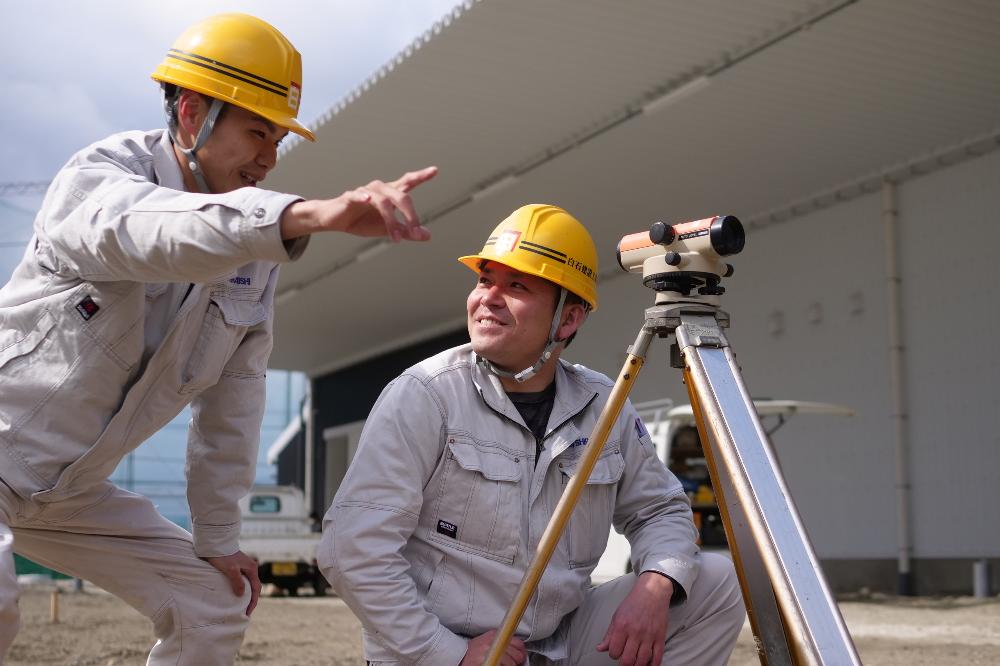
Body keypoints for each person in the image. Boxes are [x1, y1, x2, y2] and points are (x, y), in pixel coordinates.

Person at [0, 13, 436, 664]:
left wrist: (217, 536)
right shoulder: (99, 181)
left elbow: (233, 405)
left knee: (213, 599)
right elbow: (156, 233)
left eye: (279, 137)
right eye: (257, 130)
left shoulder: (253, 260)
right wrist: (309, 214)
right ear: (192, 113)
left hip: (69, 492)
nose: (269, 157)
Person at [320, 205, 745, 665]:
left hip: (556, 644)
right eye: (485, 280)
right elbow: (352, 549)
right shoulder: (425, 396)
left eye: (516, 286)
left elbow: (660, 509)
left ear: (568, 320)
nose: (489, 298)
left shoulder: (602, 404)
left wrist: (657, 584)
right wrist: (450, 652)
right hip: (438, 649)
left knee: (713, 582)